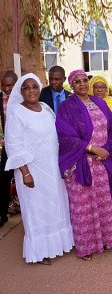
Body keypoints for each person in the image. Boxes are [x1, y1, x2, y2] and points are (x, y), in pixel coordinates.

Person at [5, 73, 74, 264]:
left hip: (52, 168)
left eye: (34, 86)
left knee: (56, 205)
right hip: (32, 171)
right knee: (36, 210)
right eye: (26, 88)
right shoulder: (16, 113)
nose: (31, 91)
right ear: (21, 92)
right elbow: (14, 145)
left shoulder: (45, 108)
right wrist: (25, 172)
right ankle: (40, 252)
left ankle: (58, 245)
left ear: (39, 88)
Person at [56, 69, 112, 261]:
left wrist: (105, 150)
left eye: (84, 80)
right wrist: (92, 149)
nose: (82, 84)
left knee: (102, 202)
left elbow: (111, 128)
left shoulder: (100, 103)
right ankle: (86, 246)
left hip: (101, 163)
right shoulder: (67, 107)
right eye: (77, 81)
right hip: (80, 164)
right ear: (71, 85)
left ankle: (105, 240)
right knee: (82, 206)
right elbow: (66, 137)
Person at [0, 71, 17, 227]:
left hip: (24, 146)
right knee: (4, 179)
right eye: (4, 85)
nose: (7, 88)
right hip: (7, 148)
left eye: (11, 85)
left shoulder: (24, 99)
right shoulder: (1, 100)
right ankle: (2, 214)